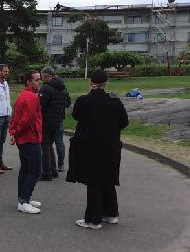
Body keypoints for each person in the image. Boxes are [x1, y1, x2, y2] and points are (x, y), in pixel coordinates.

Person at [66, 70, 129, 229]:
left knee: (93, 182)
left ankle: (93, 219)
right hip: (111, 147)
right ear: (106, 83)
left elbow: (76, 116)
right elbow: (124, 121)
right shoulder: (114, 101)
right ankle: (111, 213)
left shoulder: (83, 101)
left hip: (91, 147)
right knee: (108, 179)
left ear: (91, 82)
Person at [9, 71, 43, 214]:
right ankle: (23, 200)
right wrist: (15, 133)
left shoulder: (24, 95)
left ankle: (23, 198)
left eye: (40, 79)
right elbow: (25, 120)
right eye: (36, 80)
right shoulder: (31, 97)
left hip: (24, 138)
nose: (39, 82)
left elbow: (16, 117)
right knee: (36, 171)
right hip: (30, 138)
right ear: (28, 82)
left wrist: (13, 132)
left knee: (26, 169)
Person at [38, 66, 70, 181]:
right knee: (50, 146)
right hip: (57, 121)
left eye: (42, 77)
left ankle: (46, 173)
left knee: (45, 147)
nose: (41, 79)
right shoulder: (62, 87)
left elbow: (40, 107)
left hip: (46, 122)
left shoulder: (45, 89)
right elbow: (68, 102)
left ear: (47, 76)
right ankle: (54, 169)